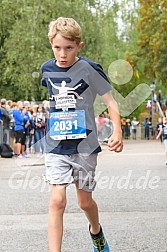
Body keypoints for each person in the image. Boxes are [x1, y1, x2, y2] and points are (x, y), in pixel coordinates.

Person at [41, 17, 123, 252]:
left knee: (84, 202)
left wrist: (117, 130)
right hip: (56, 144)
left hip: (84, 146)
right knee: (57, 200)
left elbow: (110, 101)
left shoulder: (89, 69)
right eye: (57, 48)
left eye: (68, 48)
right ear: (51, 45)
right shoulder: (46, 70)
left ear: (79, 45)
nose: (62, 54)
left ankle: (96, 231)